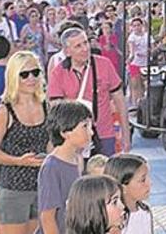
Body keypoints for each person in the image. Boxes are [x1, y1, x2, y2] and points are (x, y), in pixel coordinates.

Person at [0, 51, 49, 234]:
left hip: (43, 187)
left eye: (35, 72)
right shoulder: (4, 111)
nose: (31, 78)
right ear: (14, 76)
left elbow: (51, 143)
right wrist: (19, 161)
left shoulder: (47, 106)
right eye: (24, 74)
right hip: (13, 188)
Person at [48, 28, 131, 156]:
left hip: (104, 134)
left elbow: (120, 100)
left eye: (86, 43)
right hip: (75, 138)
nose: (85, 49)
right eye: (78, 46)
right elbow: (56, 108)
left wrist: (126, 134)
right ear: (67, 51)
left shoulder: (104, 64)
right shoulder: (58, 72)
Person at [38, 101, 94, 234]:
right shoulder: (52, 167)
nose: (91, 132)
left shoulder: (77, 159)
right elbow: (47, 217)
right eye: (85, 126)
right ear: (65, 132)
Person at [104, 154, 153, 234]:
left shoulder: (145, 210)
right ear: (123, 188)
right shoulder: (114, 220)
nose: (150, 183)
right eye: (143, 180)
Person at [126, 18, 149, 107]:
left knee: (145, 84)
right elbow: (132, 51)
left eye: (138, 25)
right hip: (135, 63)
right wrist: (130, 58)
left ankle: (143, 102)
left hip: (145, 63)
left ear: (141, 25)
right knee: (136, 84)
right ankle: (136, 104)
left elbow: (153, 46)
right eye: (134, 26)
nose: (136, 27)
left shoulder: (147, 36)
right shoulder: (132, 37)